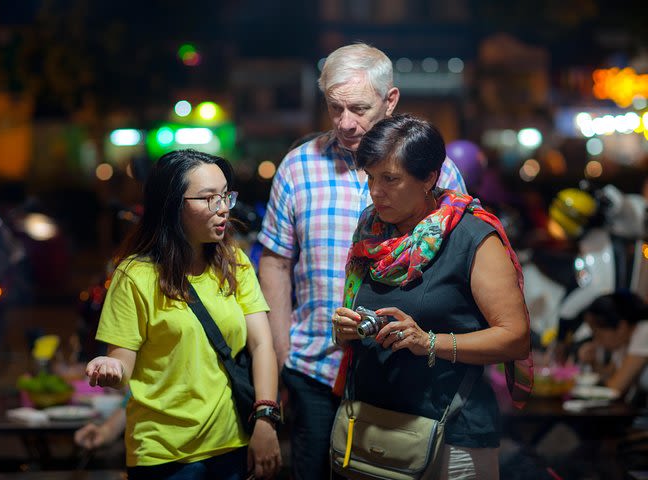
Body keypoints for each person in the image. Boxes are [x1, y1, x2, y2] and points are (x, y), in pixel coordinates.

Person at [257, 43, 467, 480]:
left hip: (402, 367)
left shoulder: (436, 172)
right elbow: (276, 262)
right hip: (314, 365)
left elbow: (456, 266)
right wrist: (280, 353)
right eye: (335, 108)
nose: (346, 123)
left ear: (390, 100)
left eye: (358, 107)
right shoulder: (298, 166)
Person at [331, 114, 532, 478]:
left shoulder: (471, 236)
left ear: (429, 178)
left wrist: (430, 342)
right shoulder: (370, 229)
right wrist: (347, 324)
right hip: (374, 426)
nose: (376, 191)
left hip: (452, 432)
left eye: (390, 179)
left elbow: (516, 338)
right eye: (371, 177)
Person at [85, 149, 282, 480]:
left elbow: (262, 345)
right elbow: (123, 366)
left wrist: (265, 419)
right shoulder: (135, 275)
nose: (222, 210)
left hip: (230, 443)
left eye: (225, 196)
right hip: (162, 453)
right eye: (208, 199)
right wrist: (109, 367)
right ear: (172, 204)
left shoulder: (234, 264)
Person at [576, 292, 648, 401]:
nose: (596, 340)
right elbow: (609, 376)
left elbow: (615, 387)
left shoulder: (644, 331)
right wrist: (593, 362)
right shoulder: (623, 341)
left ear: (621, 327)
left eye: (598, 334)